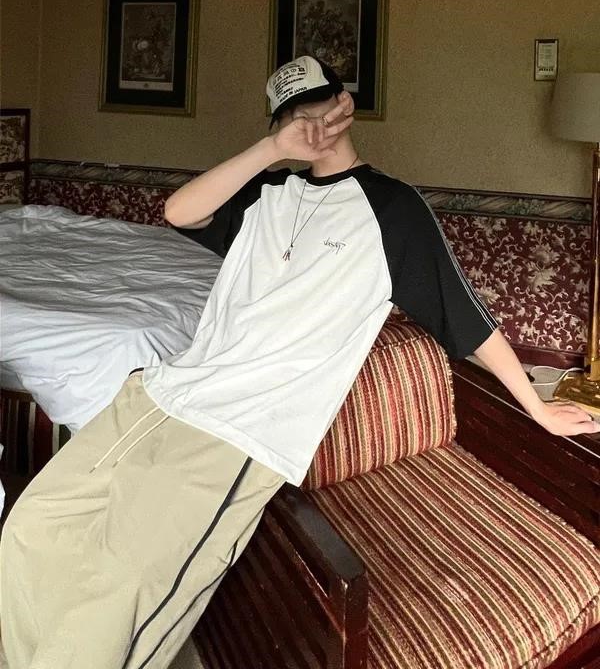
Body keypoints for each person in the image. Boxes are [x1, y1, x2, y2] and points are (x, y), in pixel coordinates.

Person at [1, 55, 598, 669]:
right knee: (33, 525)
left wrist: (537, 405)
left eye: (319, 105)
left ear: (345, 105)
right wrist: (272, 151)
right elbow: (180, 213)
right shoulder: (265, 194)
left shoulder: (392, 209)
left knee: (121, 593)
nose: (310, 122)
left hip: (238, 428)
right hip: (159, 392)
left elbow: (464, 319)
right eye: (293, 115)